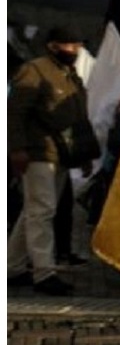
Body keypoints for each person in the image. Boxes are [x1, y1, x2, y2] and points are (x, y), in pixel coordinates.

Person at [7, 26, 94, 296]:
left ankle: (12, 266)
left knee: (35, 211)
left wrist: (84, 154)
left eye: (78, 44)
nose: (76, 50)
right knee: (42, 211)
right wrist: (17, 148)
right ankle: (44, 272)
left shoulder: (70, 76)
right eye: (70, 45)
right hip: (38, 152)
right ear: (53, 46)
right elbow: (15, 113)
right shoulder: (35, 71)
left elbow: (79, 118)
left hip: (61, 154)